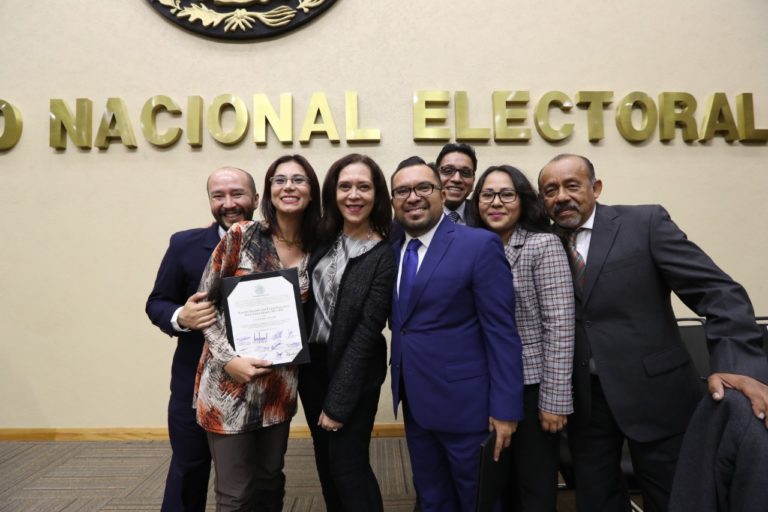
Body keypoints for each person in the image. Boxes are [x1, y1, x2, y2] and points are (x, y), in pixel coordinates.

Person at [538, 153, 768, 512]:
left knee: (676, 499)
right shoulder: (544, 244)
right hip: (584, 405)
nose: (561, 196)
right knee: (595, 502)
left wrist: (737, 364)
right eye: (550, 190)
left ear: (595, 188)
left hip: (658, 396)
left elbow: (719, 292)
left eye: (572, 185)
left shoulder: (644, 223)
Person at [389, 156, 524, 512]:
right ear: (392, 201)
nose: (413, 197)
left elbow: (502, 333)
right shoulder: (394, 250)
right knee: (431, 498)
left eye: (423, 188)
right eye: (402, 190)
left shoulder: (478, 245)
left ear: (441, 192)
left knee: (477, 500)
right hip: (416, 403)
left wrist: (506, 408)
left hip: (469, 409)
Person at [194, 155, 321, 511]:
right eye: (280, 180)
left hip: (279, 386)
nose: (289, 187)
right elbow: (204, 307)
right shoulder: (242, 236)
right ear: (268, 192)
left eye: (299, 179)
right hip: (228, 385)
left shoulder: (319, 247)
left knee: (270, 480)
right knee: (235, 494)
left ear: (312, 192)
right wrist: (230, 359)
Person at [146, 166, 258, 512]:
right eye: (218, 195)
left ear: (255, 198)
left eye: (237, 193)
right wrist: (182, 317)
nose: (229, 203)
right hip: (193, 384)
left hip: (255, 383)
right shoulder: (184, 244)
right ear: (209, 200)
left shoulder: (276, 243)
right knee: (189, 469)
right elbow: (157, 302)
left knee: (249, 477)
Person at [471, 165, 575, 512]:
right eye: (487, 195)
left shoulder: (542, 245)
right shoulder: (469, 247)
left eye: (506, 194)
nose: (496, 203)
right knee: (495, 484)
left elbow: (559, 326)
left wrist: (555, 401)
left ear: (522, 200)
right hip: (485, 384)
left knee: (533, 488)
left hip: (533, 388)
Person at [299, 153, 396, 512]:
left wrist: (339, 402)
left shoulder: (385, 253)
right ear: (333, 192)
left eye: (363, 187)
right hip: (313, 369)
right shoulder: (320, 240)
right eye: (345, 186)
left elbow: (367, 331)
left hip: (355, 371)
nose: (353, 195)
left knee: (347, 465)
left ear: (377, 194)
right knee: (325, 460)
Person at [435, 143, 478, 225]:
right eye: (448, 171)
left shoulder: (482, 214)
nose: (456, 179)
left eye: (465, 172)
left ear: (473, 181)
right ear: (435, 176)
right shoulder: (421, 212)